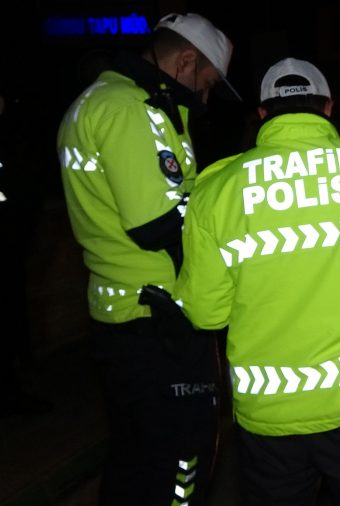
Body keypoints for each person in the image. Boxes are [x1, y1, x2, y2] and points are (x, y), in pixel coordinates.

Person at [174, 58, 340, 506]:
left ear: (263, 114)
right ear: (328, 108)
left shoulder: (217, 189)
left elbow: (205, 311)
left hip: (269, 417)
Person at [56, 12, 237, 506]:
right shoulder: (130, 109)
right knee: (181, 456)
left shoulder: (114, 101)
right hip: (154, 320)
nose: (204, 97)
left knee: (136, 458)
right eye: (205, 82)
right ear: (184, 60)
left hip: (132, 316)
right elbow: (162, 224)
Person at [0, 87, 54, 418]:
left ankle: (13, 387)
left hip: (10, 250)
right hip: (7, 248)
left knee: (11, 317)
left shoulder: (13, 130)